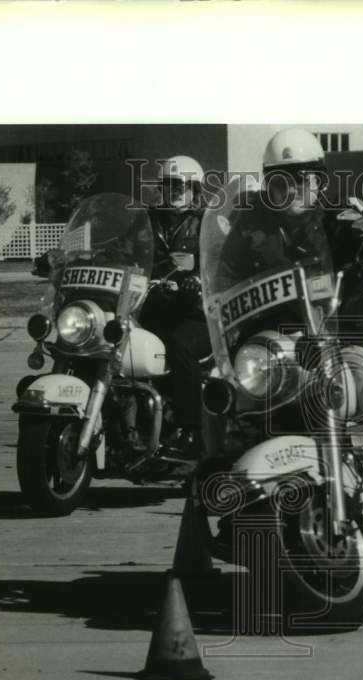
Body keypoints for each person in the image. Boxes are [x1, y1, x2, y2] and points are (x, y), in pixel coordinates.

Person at [215, 127, 363, 426]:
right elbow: (226, 274)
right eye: (283, 182)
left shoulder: (336, 213)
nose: (295, 190)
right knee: (225, 397)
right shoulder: (250, 221)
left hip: (335, 335)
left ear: (319, 181)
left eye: (306, 179)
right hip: (275, 341)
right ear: (269, 184)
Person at [139, 155, 212, 461]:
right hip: (155, 307)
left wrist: (198, 277)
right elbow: (123, 249)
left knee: (181, 345)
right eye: (169, 185)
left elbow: (222, 259)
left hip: (197, 313)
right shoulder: (146, 220)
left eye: (180, 186)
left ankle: (191, 432)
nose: (174, 192)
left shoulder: (208, 221)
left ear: (194, 188)